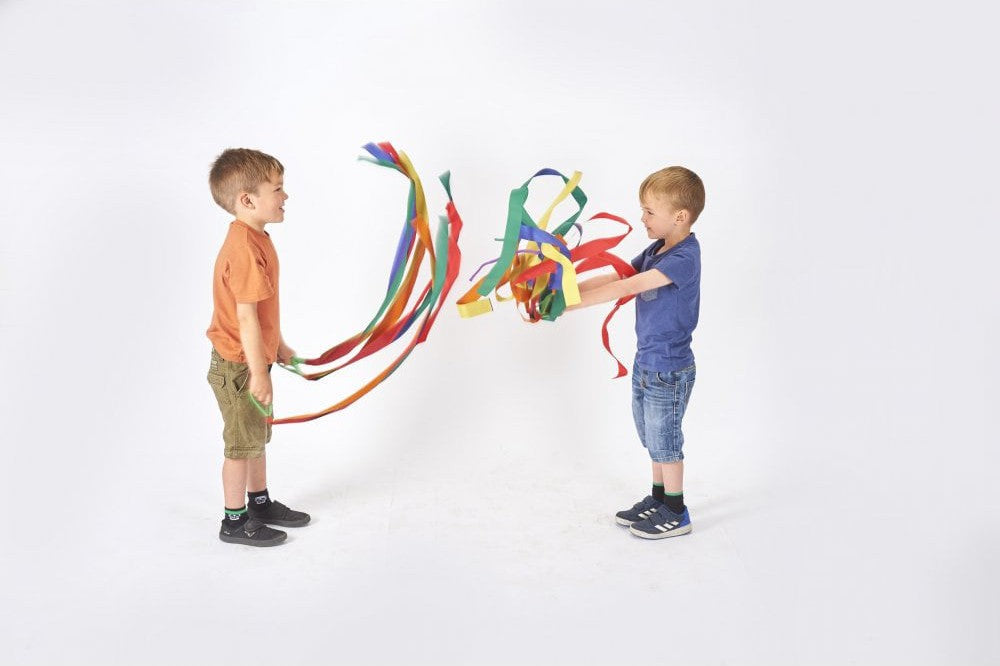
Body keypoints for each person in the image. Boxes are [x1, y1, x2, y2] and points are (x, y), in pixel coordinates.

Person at [572, 166, 704, 539]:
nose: (642, 218)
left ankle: (676, 511)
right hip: (646, 362)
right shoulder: (656, 249)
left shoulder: (684, 257)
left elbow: (627, 287)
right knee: (651, 437)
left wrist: (567, 307)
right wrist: (566, 291)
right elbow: (617, 276)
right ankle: (659, 498)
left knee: (666, 442)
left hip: (670, 368)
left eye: (649, 211)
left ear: (680, 217)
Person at [205, 148, 310, 546]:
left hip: (253, 361)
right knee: (240, 445)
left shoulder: (257, 238)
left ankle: (259, 503)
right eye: (277, 189)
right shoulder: (245, 249)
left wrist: (277, 346)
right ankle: (234, 522)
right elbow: (246, 318)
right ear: (247, 200)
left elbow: (262, 312)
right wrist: (258, 372)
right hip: (239, 366)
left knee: (255, 437)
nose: (285, 196)